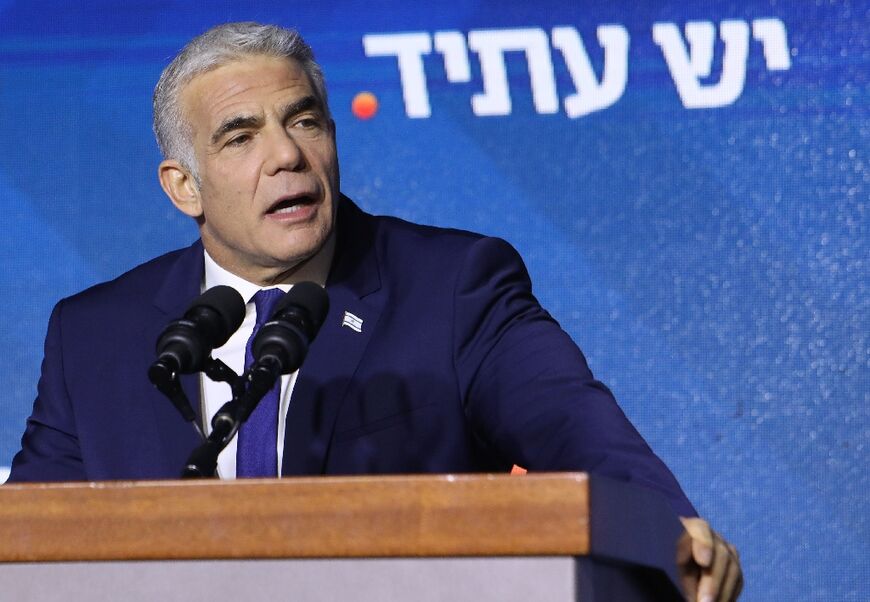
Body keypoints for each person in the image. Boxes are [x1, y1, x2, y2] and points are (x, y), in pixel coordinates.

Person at [9, 22, 742, 601]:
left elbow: (577, 426)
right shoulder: (96, 334)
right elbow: (28, 544)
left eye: (305, 122)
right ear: (183, 187)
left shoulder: (451, 286)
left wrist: (669, 529)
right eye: (241, 136)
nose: (288, 156)